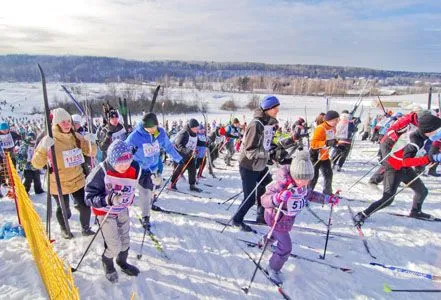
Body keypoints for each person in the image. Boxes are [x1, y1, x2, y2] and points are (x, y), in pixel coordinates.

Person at [260, 150, 340, 284]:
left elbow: (312, 195)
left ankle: (264, 242)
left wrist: (328, 199)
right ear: (294, 175)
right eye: (301, 179)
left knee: (275, 234)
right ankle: (272, 268)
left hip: (286, 221)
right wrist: (278, 197)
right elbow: (264, 200)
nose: (304, 183)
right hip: (275, 218)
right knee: (286, 247)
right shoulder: (281, 184)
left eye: (307, 179)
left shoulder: (303, 187)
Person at [354, 114, 441, 225]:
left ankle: (416, 211)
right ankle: (363, 214)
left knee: (422, 191)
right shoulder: (415, 141)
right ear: (428, 130)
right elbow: (406, 160)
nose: (439, 133)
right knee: (388, 198)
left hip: (404, 167)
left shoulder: (419, 134)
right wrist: (428, 159)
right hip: (394, 167)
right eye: (438, 130)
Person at [32, 108, 97, 239]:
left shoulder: (75, 136)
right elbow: (36, 164)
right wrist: (44, 148)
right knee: (64, 209)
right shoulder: (49, 139)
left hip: (77, 178)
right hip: (58, 182)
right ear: (56, 124)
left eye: (68, 121)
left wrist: (92, 142)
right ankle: (64, 228)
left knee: (85, 206)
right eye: (63, 122)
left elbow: (91, 153)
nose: (67, 124)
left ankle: (85, 228)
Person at [85, 140, 141, 283]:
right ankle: (108, 263)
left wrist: (153, 180)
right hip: (105, 211)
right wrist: (106, 200)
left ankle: (122, 262)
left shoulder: (134, 167)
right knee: (114, 244)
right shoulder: (101, 171)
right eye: (120, 164)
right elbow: (89, 197)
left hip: (122, 208)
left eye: (127, 163)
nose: (124, 167)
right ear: (112, 160)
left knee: (125, 241)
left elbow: (143, 177)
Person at [126, 112, 182, 229]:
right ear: (144, 126)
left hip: (154, 167)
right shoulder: (135, 136)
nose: (152, 130)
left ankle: (149, 202)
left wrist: (177, 158)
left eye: (154, 127)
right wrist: (130, 152)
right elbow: (123, 150)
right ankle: (145, 217)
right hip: (140, 169)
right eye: (149, 128)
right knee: (144, 192)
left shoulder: (159, 133)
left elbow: (168, 146)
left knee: (155, 186)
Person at [232, 95, 280, 231]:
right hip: (249, 165)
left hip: (259, 164)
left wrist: (274, 150)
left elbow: (265, 144)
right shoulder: (255, 125)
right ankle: (237, 220)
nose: (277, 111)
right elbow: (250, 150)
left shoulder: (267, 124)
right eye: (275, 108)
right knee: (249, 198)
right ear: (267, 108)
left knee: (266, 185)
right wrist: (267, 155)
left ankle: (261, 215)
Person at [170, 118, 205, 192]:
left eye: (197, 128)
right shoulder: (184, 133)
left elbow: (196, 142)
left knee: (192, 169)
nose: (197, 130)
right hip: (180, 155)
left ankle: (192, 185)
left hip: (190, 155)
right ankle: (173, 184)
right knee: (178, 170)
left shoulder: (195, 133)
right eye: (195, 128)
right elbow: (178, 145)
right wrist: (188, 151)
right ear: (191, 127)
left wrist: (204, 144)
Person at [309, 110, 339, 194]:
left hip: (324, 155)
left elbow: (333, 139)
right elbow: (313, 144)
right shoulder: (320, 128)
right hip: (315, 155)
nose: (337, 121)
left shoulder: (333, 129)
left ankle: (327, 192)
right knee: (314, 176)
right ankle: (308, 193)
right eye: (336, 120)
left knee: (328, 174)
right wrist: (327, 143)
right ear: (330, 120)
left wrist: (337, 144)